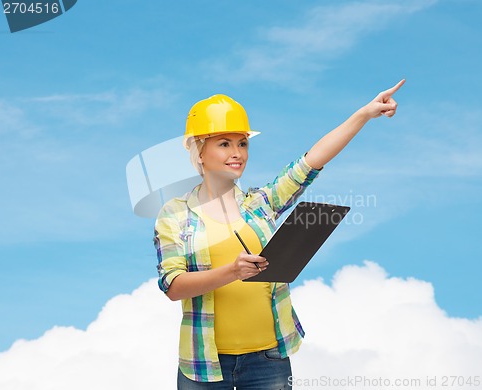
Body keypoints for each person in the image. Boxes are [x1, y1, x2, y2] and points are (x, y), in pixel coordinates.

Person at [154, 80, 405, 389]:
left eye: (242, 143)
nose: (237, 153)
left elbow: (311, 161)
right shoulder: (175, 214)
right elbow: (173, 286)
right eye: (224, 144)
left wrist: (364, 114)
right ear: (200, 151)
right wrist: (232, 271)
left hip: (268, 362)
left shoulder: (263, 203)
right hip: (205, 366)